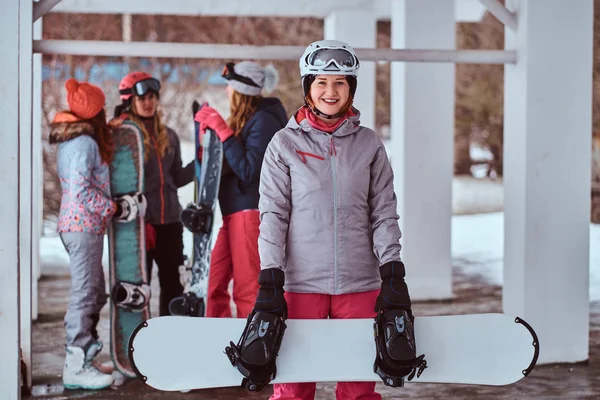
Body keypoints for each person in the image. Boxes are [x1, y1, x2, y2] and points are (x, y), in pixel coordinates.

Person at [227, 40, 422, 399]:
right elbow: (273, 215)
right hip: (301, 285)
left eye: (340, 83)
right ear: (308, 88)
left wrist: (392, 270)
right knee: (293, 388)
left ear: (350, 89)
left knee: (359, 387)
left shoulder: (369, 144)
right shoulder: (283, 144)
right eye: (321, 82)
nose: (330, 91)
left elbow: (383, 212)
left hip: (360, 282)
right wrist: (270, 277)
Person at [50, 79, 145, 389]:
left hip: (83, 226)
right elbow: (80, 192)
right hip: (82, 226)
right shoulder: (84, 144)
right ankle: (75, 364)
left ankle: (86, 357)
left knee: (96, 292)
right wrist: (112, 208)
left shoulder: (77, 140)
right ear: (93, 113)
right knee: (85, 294)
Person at [193, 61, 287, 318]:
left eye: (230, 87)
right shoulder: (248, 121)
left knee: (247, 288)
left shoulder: (265, 121)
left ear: (241, 91)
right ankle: (217, 339)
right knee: (212, 284)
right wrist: (208, 144)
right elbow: (229, 163)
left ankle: (254, 346)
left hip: (250, 213)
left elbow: (249, 171)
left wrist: (223, 132)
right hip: (232, 214)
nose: (226, 92)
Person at [114, 72, 195, 316]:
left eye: (152, 97)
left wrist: (200, 162)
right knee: (140, 285)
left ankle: (167, 338)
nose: (149, 103)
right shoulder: (123, 136)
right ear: (130, 101)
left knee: (173, 284)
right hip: (139, 224)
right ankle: (138, 335)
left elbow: (177, 177)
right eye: (142, 99)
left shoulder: (168, 135)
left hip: (170, 222)